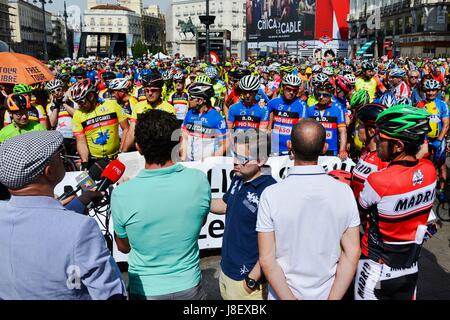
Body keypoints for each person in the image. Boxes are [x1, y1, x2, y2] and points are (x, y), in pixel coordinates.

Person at [0, 131, 126, 300]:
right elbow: (111, 294)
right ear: (49, 172)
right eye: (58, 155)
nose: (63, 158)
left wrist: (80, 202)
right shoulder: (81, 229)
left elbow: (41, 227)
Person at [111, 109, 210, 300]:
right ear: (179, 142)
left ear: (138, 147)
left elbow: (124, 247)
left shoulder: (122, 194)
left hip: (146, 289)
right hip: (189, 285)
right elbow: (200, 222)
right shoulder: (198, 180)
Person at [257, 118, 361, 300]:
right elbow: (352, 253)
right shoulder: (344, 192)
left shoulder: (270, 195)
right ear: (324, 148)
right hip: (329, 293)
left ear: (290, 145)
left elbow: (267, 259)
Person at [355, 105, 436, 300]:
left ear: (398, 146)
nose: (376, 141)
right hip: (410, 268)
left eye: (381, 139)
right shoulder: (429, 169)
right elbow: (418, 159)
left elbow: (360, 210)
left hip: (377, 269)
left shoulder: (379, 181)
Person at [211, 130, 276, 300]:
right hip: (226, 272)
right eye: (234, 155)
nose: (234, 162)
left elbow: (275, 244)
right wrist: (199, 200)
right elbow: (226, 204)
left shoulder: (271, 191)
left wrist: (250, 281)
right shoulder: (239, 177)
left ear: (261, 160)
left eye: (241, 158)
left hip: (247, 284)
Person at [70, 79, 129, 169]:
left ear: (90, 96)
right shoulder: (78, 114)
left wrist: (122, 152)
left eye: (81, 102)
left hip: (117, 157)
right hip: (95, 161)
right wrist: (85, 162)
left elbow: (126, 128)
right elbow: (81, 141)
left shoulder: (112, 105)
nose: (79, 106)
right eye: (77, 103)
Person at [416, 79, 449, 203]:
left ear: (437, 91)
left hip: (438, 140)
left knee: (441, 165)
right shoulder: (420, 104)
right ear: (425, 91)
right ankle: (424, 189)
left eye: (433, 90)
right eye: (428, 90)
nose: (431, 93)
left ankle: (441, 190)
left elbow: (446, 124)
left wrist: (440, 140)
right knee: (423, 164)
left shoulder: (442, 104)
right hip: (425, 140)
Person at [181, 82, 227, 161]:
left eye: (191, 98)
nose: (188, 100)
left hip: (207, 165)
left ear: (200, 101)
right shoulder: (189, 113)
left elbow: (225, 144)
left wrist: (210, 161)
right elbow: (184, 137)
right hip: (189, 162)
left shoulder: (216, 117)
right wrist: (183, 158)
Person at [307, 79, 348, 160]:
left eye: (325, 95)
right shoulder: (310, 110)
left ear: (330, 95)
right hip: (313, 150)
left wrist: (342, 150)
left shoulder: (338, 109)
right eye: (319, 94)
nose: (321, 97)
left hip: (331, 151)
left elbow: (343, 131)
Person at [268, 74, 307, 154]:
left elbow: (301, 127)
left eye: (295, 90)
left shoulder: (302, 105)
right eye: (288, 89)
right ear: (283, 87)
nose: (291, 92)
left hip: (291, 146)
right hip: (274, 145)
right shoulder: (274, 102)